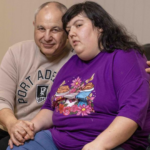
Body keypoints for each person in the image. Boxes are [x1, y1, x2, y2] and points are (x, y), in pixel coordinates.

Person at [7, 1, 150, 150]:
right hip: (58, 140)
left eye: (79, 25)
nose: (72, 33)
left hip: (108, 143)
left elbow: (133, 110)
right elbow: (50, 107)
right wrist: (30, 127)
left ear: (100, 26)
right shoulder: (71, 64)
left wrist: (99, 145)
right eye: (68, 30)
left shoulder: (125, 56)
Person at [0, 1, 75, 150]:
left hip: (53, 136)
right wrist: (13, 124)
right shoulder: (16, 53)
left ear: (67, 30)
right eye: (41, 28)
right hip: (13, 129)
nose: (47, 37)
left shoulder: (77, 58)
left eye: (55, 29)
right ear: (34, 25)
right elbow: (2, 100)